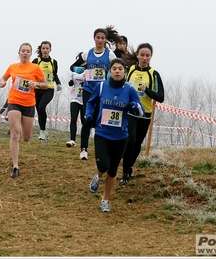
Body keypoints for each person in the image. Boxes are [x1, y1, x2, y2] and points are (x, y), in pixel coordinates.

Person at [87, 58, 144, 212]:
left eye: (120, 69)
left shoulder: (129, 90)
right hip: (102, 132)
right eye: (114, 69)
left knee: (112, 170)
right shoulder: (101, 87)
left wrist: (133, 106)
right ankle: (98, 176)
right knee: (103, 165)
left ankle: (105, 200)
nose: (117, 71)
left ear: (125, 71)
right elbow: (91, 102)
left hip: (121, 136)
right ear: (110, 71)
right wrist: (88, 115)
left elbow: (140, 110)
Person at [69, 25, 121, 160]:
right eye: (98, 38)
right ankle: (83, 149)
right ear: (94, 39)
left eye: (102, 38)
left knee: (101, 119)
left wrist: (111, 74)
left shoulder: (110, 54)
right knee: (87, 118)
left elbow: (120, 66)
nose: (100, 40)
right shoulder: (87, 53)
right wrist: (78, 69)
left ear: (105, 40)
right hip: (88, 90)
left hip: (104, 90)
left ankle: (101, 148)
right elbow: (72, 66)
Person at [0, 42, 48, 178]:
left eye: (28, 51)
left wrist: (36, 84)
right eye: (23, 51)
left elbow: (46, 85)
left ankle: (20, 125)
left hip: (29, 104)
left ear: (31, 54)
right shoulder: (12, 67)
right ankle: (15, 166)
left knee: (26, 137)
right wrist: (2, 82)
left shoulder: (35, 68)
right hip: (14, 101)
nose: (25, 53)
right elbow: (4, 77)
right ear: (19, 53)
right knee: (15, 134)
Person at [120, 43, 165, 186]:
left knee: (137, 144)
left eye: (148, 55)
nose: (145, 58)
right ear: (137, 55)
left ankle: (129, 167)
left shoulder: (154, 74)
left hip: (145, 115)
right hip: (130, 112)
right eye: (142, 55)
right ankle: (125, 173)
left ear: (151, 57)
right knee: (130, 141)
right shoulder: (130, 70)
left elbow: (160, 97)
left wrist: (146, 90)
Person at [32, 41, 62, 142]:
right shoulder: (36, 61)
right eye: (43, 48)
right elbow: (31, 74)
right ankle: (43, 132)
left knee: (41, 107)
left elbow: (54, 74)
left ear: (50, 49)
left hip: (48, 88)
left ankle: (43, 132)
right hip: (37, 89)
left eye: (47, 48)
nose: (45, 50)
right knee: (40, 111)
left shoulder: (53, 62)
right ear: (41, 49)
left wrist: (58, 83)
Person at [66, 69, 85, 147]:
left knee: (84, 121)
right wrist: (70, 82)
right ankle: (72, 140)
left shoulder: (88, 72)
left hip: (85, 100)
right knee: (73, 118)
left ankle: (84, 140)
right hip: (75, 99)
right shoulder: (74, 73)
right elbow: (71, 82)